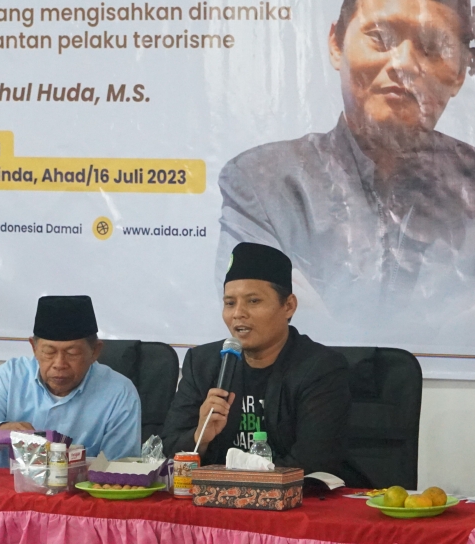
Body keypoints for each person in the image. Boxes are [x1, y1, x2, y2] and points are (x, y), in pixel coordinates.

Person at [216, 0, 475, 341]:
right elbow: (264, 318)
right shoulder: (262, 180)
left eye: (431, 48)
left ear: (459, 73)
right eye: (380, 38)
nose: (403, 64)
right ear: (336, 45)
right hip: (311, 375)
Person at [163, 243, 351, 476]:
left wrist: (238, 484)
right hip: (216, 494)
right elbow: (168, 450)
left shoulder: (320, 368)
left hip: (293, 497)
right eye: (230, 303)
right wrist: (199, 438)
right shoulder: (203, 363)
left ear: (288, 306)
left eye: (253, 301)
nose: (238, 313)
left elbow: (313, 461)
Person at [0, 295, 142, 468]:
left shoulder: (119, 392)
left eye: (72, 353)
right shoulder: (10, 377)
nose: (59, 364)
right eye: (49, 352)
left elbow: (120, 468)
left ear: (95, 351)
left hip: (80, 493)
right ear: (34, 348)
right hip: (9, 491)